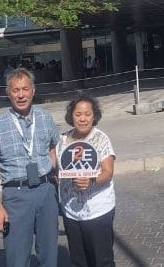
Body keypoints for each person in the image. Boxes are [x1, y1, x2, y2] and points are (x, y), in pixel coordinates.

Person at [0, 68, 60, 267]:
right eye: (16, 90)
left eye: (25, 89)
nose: (21, 95)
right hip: (15, 196)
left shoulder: (45, 118)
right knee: (17, 256)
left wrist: (55, 175)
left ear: (33, 91)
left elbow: (54, 147)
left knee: (49, 253)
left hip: (46, 191)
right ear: (8, 93)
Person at [57, 96, 117, 267]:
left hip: (99, 211)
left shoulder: (101, 138)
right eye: (78, 114)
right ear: (71, 116)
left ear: (94, 116)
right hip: (71, 212)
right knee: (78, 261)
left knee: (102, 260)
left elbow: (108, 172)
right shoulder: (61, 140)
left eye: (87, 114)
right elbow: (56, 168)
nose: (82, 118)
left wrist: (91, 181)